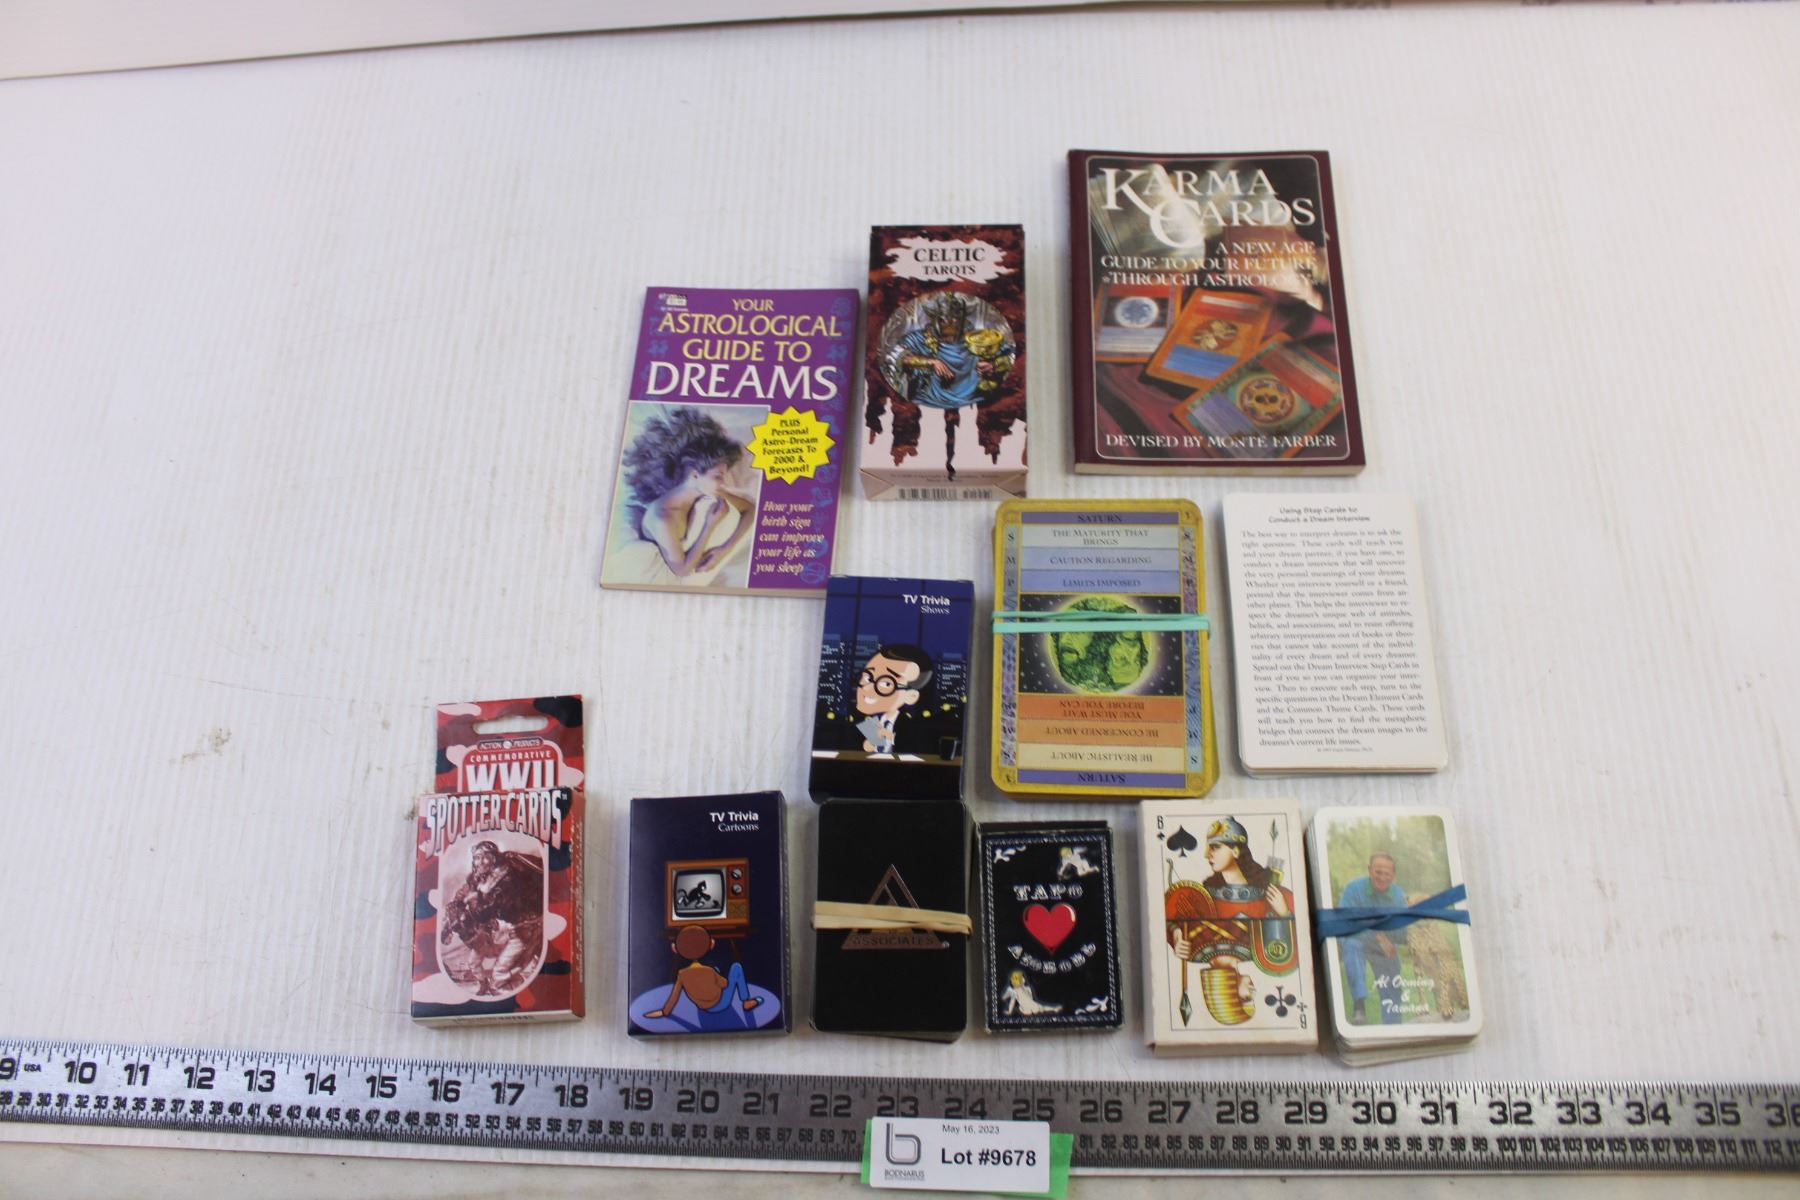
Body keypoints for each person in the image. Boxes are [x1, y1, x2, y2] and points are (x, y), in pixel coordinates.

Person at [1164, 818, 1297, 1027]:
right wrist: (1284, 913)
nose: (1207, 854)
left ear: (1236, 851)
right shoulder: (1259, 952)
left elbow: (1172, 919)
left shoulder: (1192, 949)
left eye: (1215, 847)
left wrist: (1176, 935)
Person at [618, 407, 753, 584]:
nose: (723, 483)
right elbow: (682, 570)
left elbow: (751, 509)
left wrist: (724, 550)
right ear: (695, 475)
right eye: (718, 476)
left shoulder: (707, 489)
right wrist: (710, 525)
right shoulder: (663, 517)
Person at [440, 840, 545, 996]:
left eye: (485, 857)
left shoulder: (506, 878)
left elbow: (487, 911)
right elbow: (465, 891)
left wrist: (474, 901)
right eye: (477, 857)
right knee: (485, 963)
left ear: (494, 858)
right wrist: (458, 902)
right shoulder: (478, 876)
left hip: (527, 926)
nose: (480, 861)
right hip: (513, 929)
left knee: (499, 977)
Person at [1338, 851, 1407, 1024]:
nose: (1382, 877)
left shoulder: (1399, 896)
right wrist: (1380, 935)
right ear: (1369, 870)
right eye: (1378, 872)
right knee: (1351, 945)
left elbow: (1402, 933)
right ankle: (1359, 1007)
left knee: (1392, 978)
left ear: (1393, 875)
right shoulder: (1353, 889)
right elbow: (1346, 923)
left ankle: (1393, 1023)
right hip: (1357, 940)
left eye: (1387, 873)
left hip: (1384, 948)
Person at [643, 925, 761, 1019]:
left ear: (674, 948)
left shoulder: (682, 974)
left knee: (716, 970)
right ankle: (746, 1001)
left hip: (702, 1007)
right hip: (721, 1004)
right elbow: (725, 984)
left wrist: (664, 1012)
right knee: (736, 967)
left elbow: (674, 997)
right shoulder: (710, 971)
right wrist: (716, 977)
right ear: (711, 944)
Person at [853, 644, 934, 755]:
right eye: (868, 678)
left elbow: (912, 750)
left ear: (911, 696)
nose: (866, 688)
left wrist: (891, 739)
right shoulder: (865, 722)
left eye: (886, 684)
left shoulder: (909, 726)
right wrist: (868, 745)